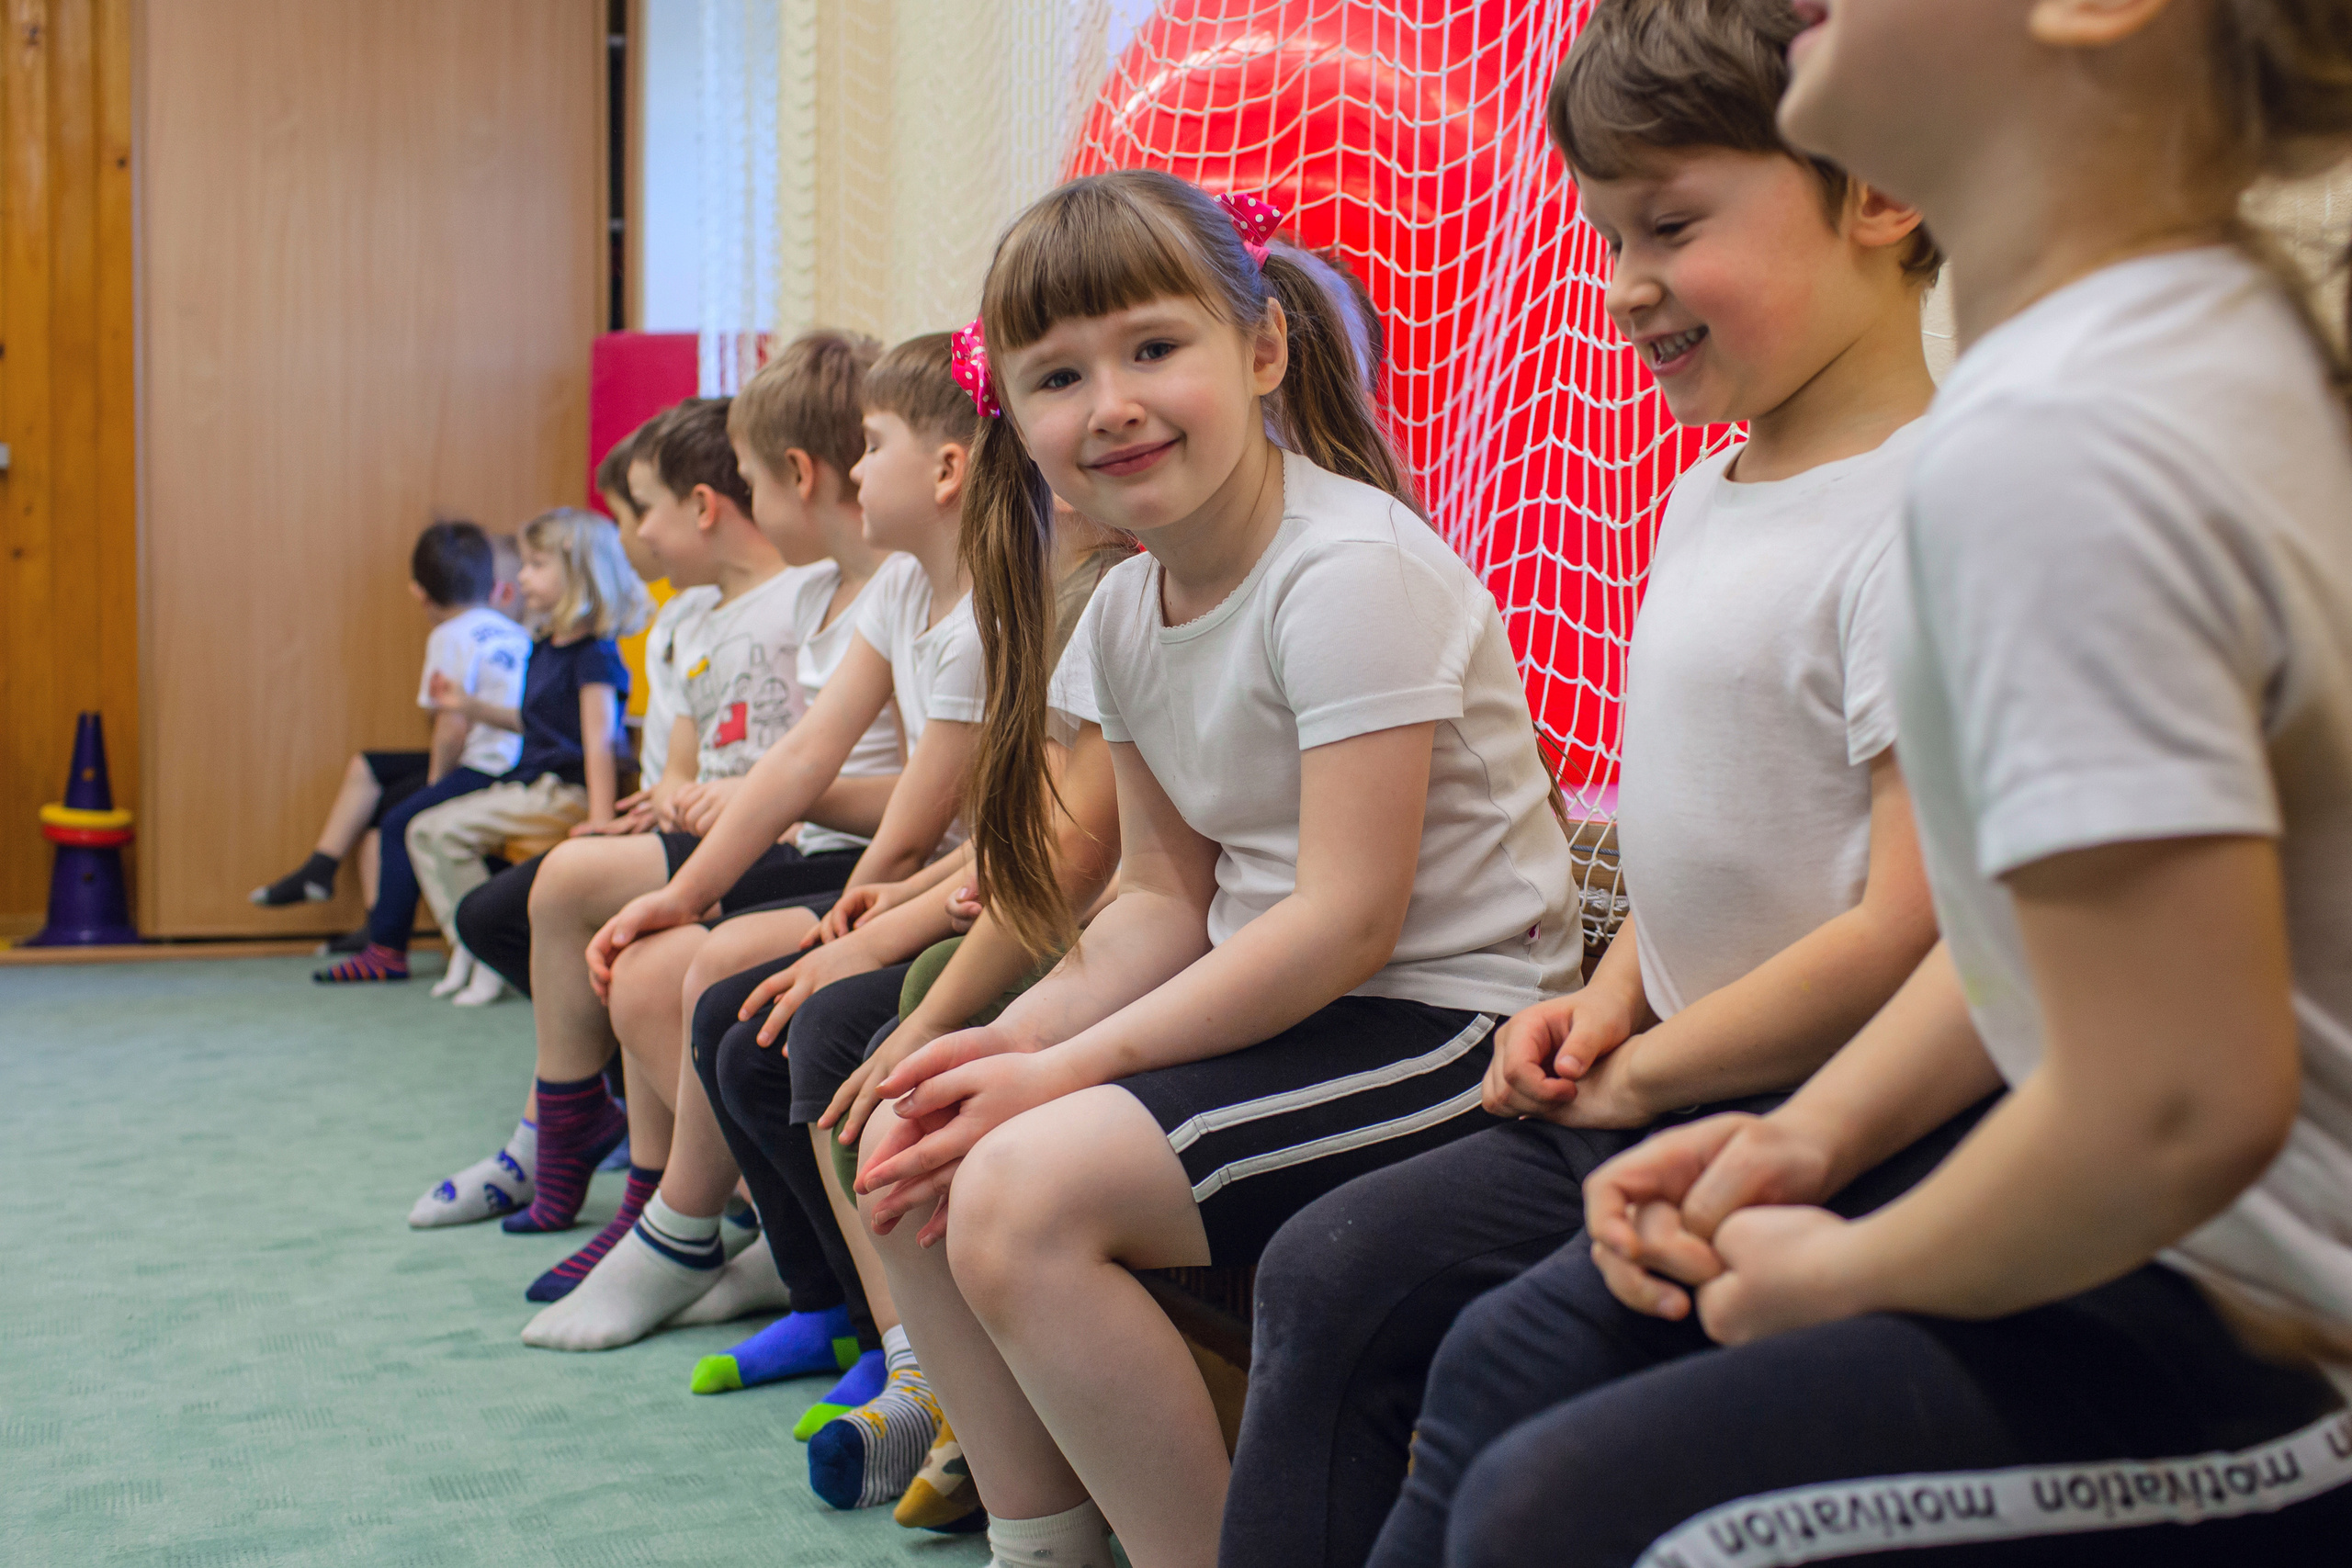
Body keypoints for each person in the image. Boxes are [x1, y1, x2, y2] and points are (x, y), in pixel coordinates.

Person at [1414, 2, 2352, 1563]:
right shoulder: (2135, 345)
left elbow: (2179, 1106)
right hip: (2159, 1253)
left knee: (1572, 1515)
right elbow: (2024, 962)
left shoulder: (2063, 434)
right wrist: (1810, 1140)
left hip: (2267, 1332)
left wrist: (1847, 1270)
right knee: (1514, 1385)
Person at [1227, 6, 1948, 1562]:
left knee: (1510, 1379)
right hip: (1666, 1063)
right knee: (1331, 1269)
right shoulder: (1705, 488)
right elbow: (1715, 824)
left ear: (1881, 191)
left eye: (1672, 226)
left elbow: (1904, 925)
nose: (1624, 286)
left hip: (1830, 1105)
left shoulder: (1928, 512)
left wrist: (1651, 1077)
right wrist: (1615, 997)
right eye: (1609, 235)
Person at [834, 169, 1576, 1568]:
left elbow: (1350, 923)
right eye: (1057, 375)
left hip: (1447, 1023)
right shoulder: (1123, 608)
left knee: (1023, 1190)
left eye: (1152, 348)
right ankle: (1045, 1538)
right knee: (914, 1139)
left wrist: (1057, 1068)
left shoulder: (1349, 569)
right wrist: (998, 1040)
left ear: (1262, 348)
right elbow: (1162, 901)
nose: (1108, 402)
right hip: (1288, 1005)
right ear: (1019, 420)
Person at [514, 330, 988, 1357]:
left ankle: (746, 1262)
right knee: (681, 971)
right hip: (910, 878)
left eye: (876, 445)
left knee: (741, 977)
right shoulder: (905, 588)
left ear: (946, 469)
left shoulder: (981, 601)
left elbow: (928, 815)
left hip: (959, 887)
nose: (861, 469)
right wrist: (684, 895)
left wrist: (851, 916)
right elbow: (803, 757)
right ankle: (786, 1268)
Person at [317, 508, 646, 984]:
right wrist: (469, 705)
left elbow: (598, 740)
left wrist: (599, 821)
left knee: (442, 833)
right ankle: (468, 949)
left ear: (577, 574)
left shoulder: (595, 653)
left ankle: (486, 952)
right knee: (423, 828)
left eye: (536, 564)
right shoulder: (545, 645)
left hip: (563, 793)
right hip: (531, 784)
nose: (521, 576)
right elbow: (534, 721)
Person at [252, 520, 527, 946]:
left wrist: (436, 787)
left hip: (488, 762)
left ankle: (386, 945)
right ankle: (325, 872)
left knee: (402, 815)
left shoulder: (449, 636)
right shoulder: (511, 631)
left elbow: (451, 725)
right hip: (513, 755)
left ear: (419, 593)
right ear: (494, 586)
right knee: (373, 773)